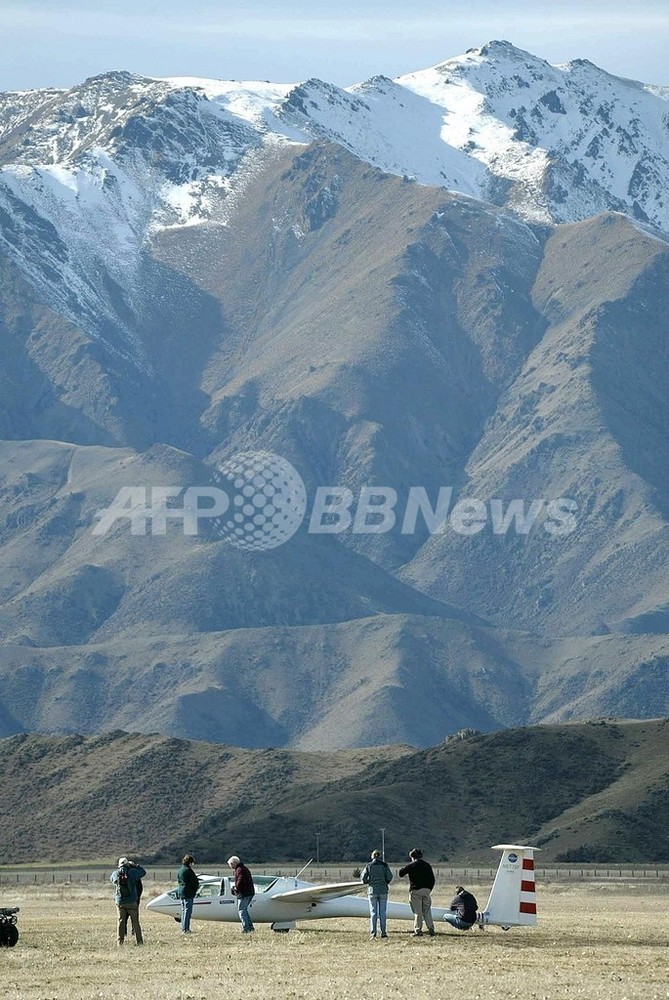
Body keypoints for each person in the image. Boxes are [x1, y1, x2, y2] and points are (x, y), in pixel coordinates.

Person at [398, 847, 436, 937]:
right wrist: (429, 889)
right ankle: (431, 928)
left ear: (412, 857)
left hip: (415, 891)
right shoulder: (427, 865)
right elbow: (432, 879)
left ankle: (418, 930)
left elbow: (401, 873)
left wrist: (409, 865)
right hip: (426, 890)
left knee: (417, 911)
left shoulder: (412, 865)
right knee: (427, 910)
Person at [110, 856, 146, 946]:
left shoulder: (115, 873)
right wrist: (135, 865)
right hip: (132, 901)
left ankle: (120, 942)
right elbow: (143, 872)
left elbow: (112, 880)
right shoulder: (132, 872)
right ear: (127, 864)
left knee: (121, 921)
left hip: (120, 902)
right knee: (135, 922)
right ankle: (139, 942)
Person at [361, 849, 393, 938]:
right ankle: (383, 932)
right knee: (382, 912)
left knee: (373, 912)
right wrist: (385, 882)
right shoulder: (384, 865)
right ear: (379, 856)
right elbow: (390, 877)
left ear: (372, 856)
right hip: (383, 890)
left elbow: (363, 878)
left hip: (372, 890)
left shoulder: (369, 866)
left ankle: (373, 932)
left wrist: (369, 881)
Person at [227, 855, 255, 933]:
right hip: (249, 892)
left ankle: (247, 928)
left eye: (231, 865)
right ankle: (250, 927)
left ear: (234, 863)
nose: (231, 867)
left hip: (244, 893)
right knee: (244, 910)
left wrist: (236, 887)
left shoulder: (239, 870)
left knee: (241, 911)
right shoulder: (243, 868)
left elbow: (241, 880)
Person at [176, 854, 200, 934]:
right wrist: (195, 890)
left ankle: (183, 928)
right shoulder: (188, 870)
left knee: (183, 911)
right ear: (189, 862)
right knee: (187, 911)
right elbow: (195, 882)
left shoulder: (180, 870)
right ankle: (186, 929)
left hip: (181, 892)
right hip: (188, 892)